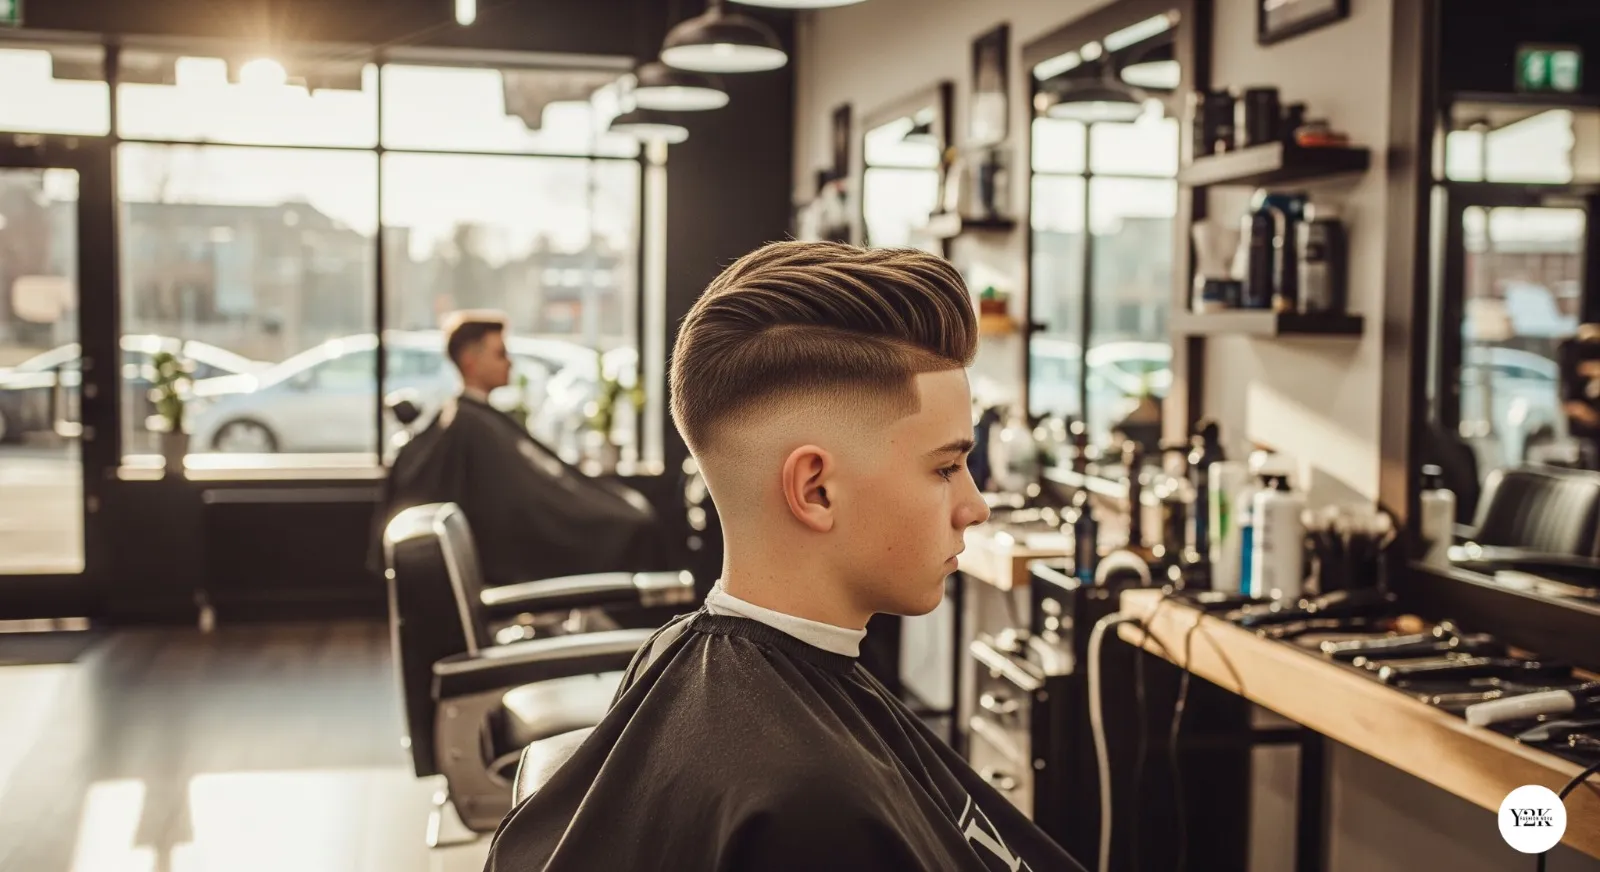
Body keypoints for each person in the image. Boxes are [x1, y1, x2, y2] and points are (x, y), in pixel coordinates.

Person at [484, 242, 1085, 871]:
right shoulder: (810, 809)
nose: (976, 506)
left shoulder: (683, 662)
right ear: (815, 491)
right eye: (946, 467)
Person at [369, 311, 669, 588]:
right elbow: (523, 500)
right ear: (471, 361)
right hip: (522, 544)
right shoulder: (470, 424)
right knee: (633, 525)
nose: (510, 362)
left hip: (524, 530)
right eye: (501, 354)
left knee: (630, 514)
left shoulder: (473, 418)